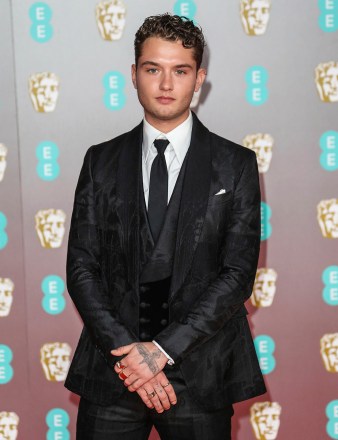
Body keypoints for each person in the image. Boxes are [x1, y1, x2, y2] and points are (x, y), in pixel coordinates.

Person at [65, 13, 266, 440]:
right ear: (134, 75)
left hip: (200, 372)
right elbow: (82, 268)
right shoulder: (99, 161)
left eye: (181, 70)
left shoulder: (236, 165)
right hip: (113, 369)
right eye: (153, 69)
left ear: (200, 79)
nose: (166, 84)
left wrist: (160, 352)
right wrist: (131, 357)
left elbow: (237, 275)